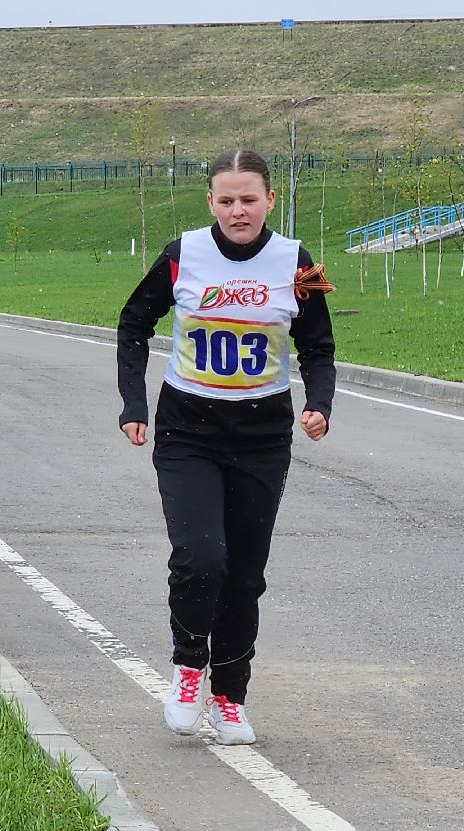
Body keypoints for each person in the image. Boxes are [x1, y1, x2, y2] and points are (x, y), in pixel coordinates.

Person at [116, 148, 336, 746]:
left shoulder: (295, 262)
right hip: (188, 427)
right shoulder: (183, 255)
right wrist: (133, 404)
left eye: (249, 199)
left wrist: (319, 403)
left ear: (270, 200)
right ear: (210, 202)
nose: (239, 210)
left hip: (262, 434)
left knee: (243, 574)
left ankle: (229, 697)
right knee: (200, 557)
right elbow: (133, 325)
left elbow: (317, 345)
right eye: (227, 200)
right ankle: (189, 667)